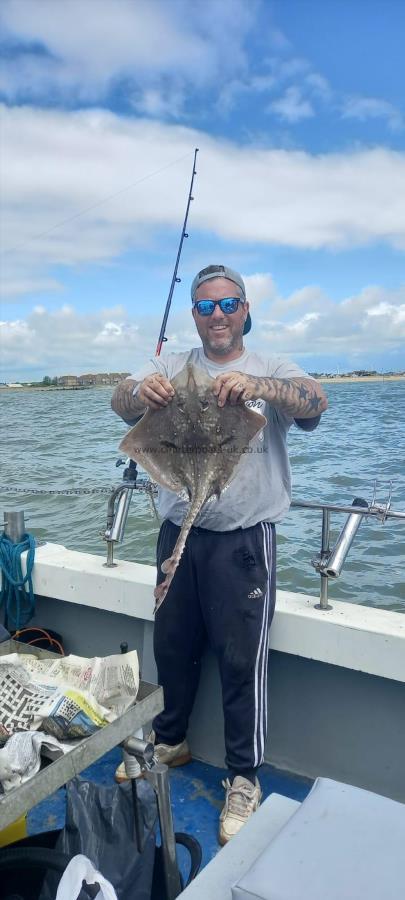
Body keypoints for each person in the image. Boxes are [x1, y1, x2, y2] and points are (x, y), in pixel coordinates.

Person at [111, 264, 328, 844]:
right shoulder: (172, 369)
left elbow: (315, 403)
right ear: (194, 315)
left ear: (246, 309)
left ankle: (243, 777)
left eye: (228, 305)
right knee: (173, 646)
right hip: (179, 532)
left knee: (240, 660)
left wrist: (258, 390)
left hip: (243, 542)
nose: (218, 317)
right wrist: (139, 393)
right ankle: (171, 738)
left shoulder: (271, 369)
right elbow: (119, 401)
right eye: (206, 307)